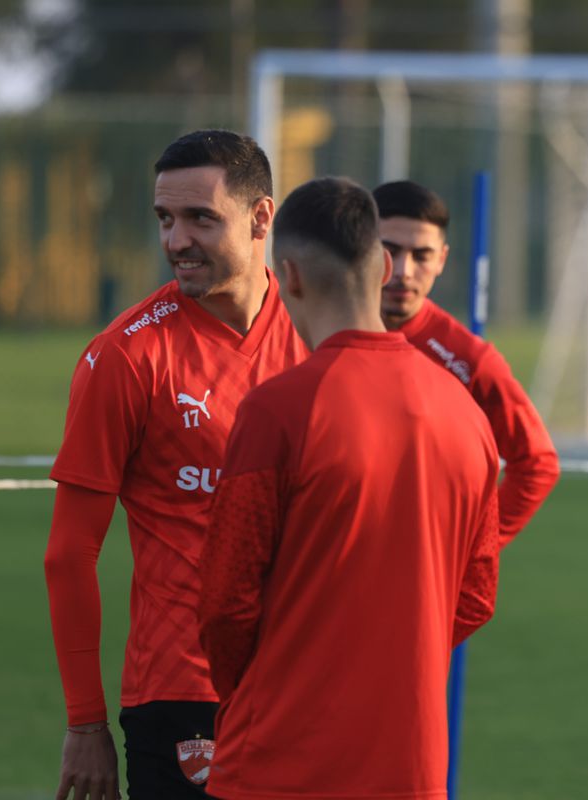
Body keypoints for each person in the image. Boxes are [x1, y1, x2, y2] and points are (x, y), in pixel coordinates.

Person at [198, 177, 501, 797]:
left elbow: (227, 603)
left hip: (281, 761)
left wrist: (266, 687)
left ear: (288, 276)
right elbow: (475, 596)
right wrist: (397, 657)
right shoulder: (466, 412)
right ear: (384, 266)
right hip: (411, 764)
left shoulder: (277, 410)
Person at [43, 130, 307, 798]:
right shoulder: (127, 357)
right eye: (165, 218)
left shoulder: (317, 334)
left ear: (261, 218)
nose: (176, 240)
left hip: (310, 677)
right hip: (185, 691)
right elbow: (69, 554)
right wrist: (85, 721)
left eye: (200, 218)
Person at [372, 180, 559, 547]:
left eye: (422, 255)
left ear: (441, 260)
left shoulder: (468, 358)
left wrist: (473, 548)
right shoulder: (316, 332)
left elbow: (537, 462)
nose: (404, 270)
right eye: (389, 251)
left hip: (420, 566)